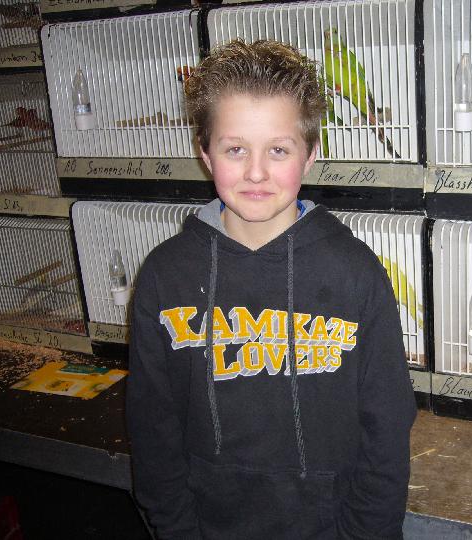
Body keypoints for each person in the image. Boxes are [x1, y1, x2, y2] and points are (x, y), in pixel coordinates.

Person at [126, 39, 417, 539]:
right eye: (235, 149)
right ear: (205, 153)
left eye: (278, 150)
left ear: (310, 155)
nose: (256, 171)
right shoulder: (163, 275)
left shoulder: (356, 274)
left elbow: (387, 427)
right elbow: (153, 429)